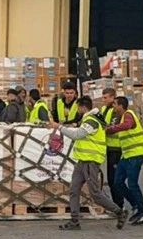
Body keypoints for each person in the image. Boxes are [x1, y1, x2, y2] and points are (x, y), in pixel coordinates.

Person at [49, 96, 129, 231]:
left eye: (78, 108)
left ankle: (119, 212)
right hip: (82, 160)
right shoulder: (90, 120)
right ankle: (74, 220)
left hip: (90, 160)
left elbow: (78, 135)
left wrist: (59, 127)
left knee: (95, 193)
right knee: (74, 189)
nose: (77, 111)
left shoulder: (92, 121)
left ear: (83, 107)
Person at [106, 97, 143, 226]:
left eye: (114, 104)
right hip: (126, 155)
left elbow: (128, 125)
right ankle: (135, 205)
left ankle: (142, 212)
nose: (113, 107)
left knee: (132, 184)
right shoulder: (122, 117)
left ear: (120, 105)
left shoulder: (128, 115)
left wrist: (111, 129)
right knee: (117, 182)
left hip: (135, 155)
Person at [101, 88, 124, 207]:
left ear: (112, 97)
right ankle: (116, 203)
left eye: (106, 97)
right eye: (103, 97)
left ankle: (119, 204)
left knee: (114, 179)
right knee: (111, 179)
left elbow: (113, 127)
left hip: (116, 148)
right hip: (108, 148)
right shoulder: (104, 109)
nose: (103, 100)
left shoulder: (116, 111)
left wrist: (103, 129)